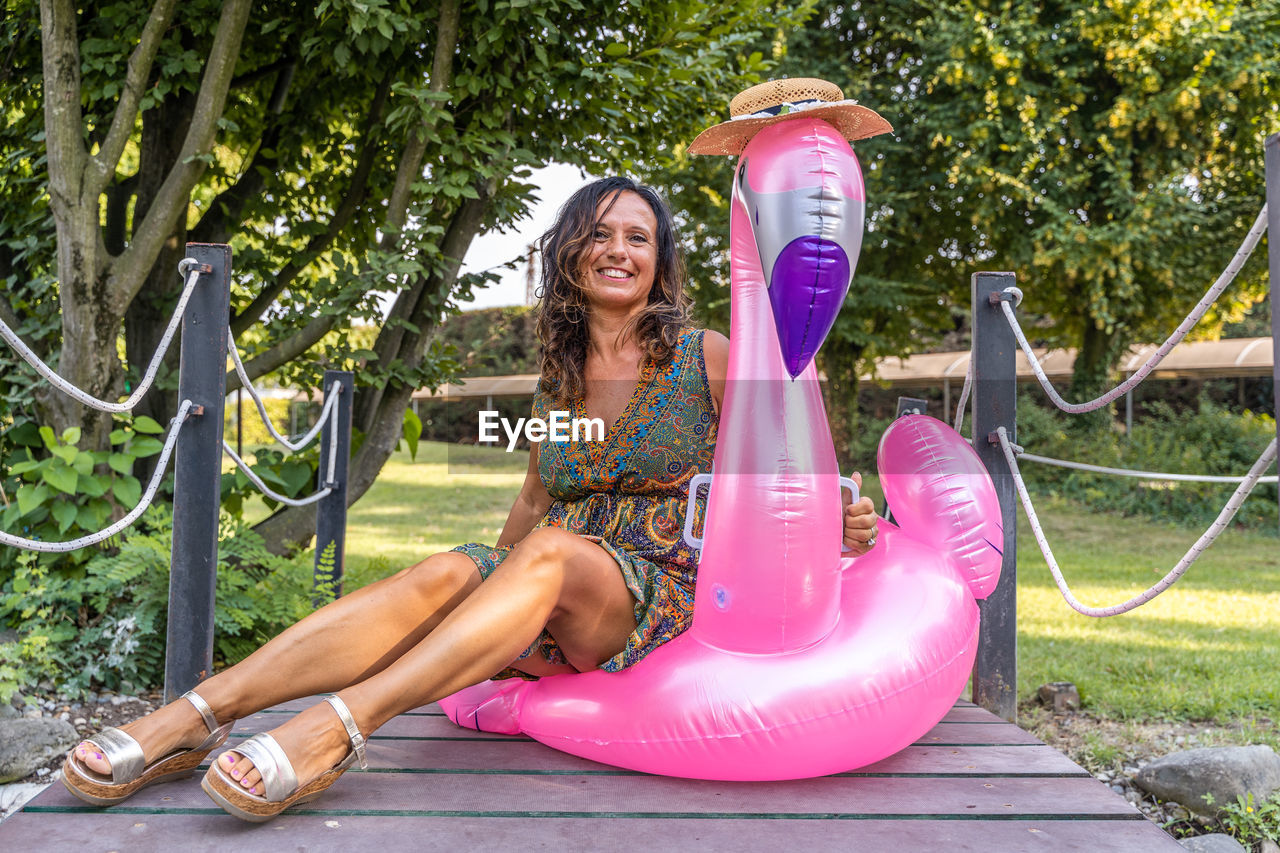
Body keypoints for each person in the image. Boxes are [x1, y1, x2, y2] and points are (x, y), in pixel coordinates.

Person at [62, 176, 881, 821]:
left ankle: (338, 725)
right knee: (447, 570)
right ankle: (195, 714)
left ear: (662, 263)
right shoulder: (560, 381)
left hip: (657, 595)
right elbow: (533, 500)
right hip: (555, 582)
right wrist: (476, 588)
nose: (619, 249)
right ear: (569, 254)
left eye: (639, 237)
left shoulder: (706, 357)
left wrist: (833, 519)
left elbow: (787, 461)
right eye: (600, 233)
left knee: (549, 555)